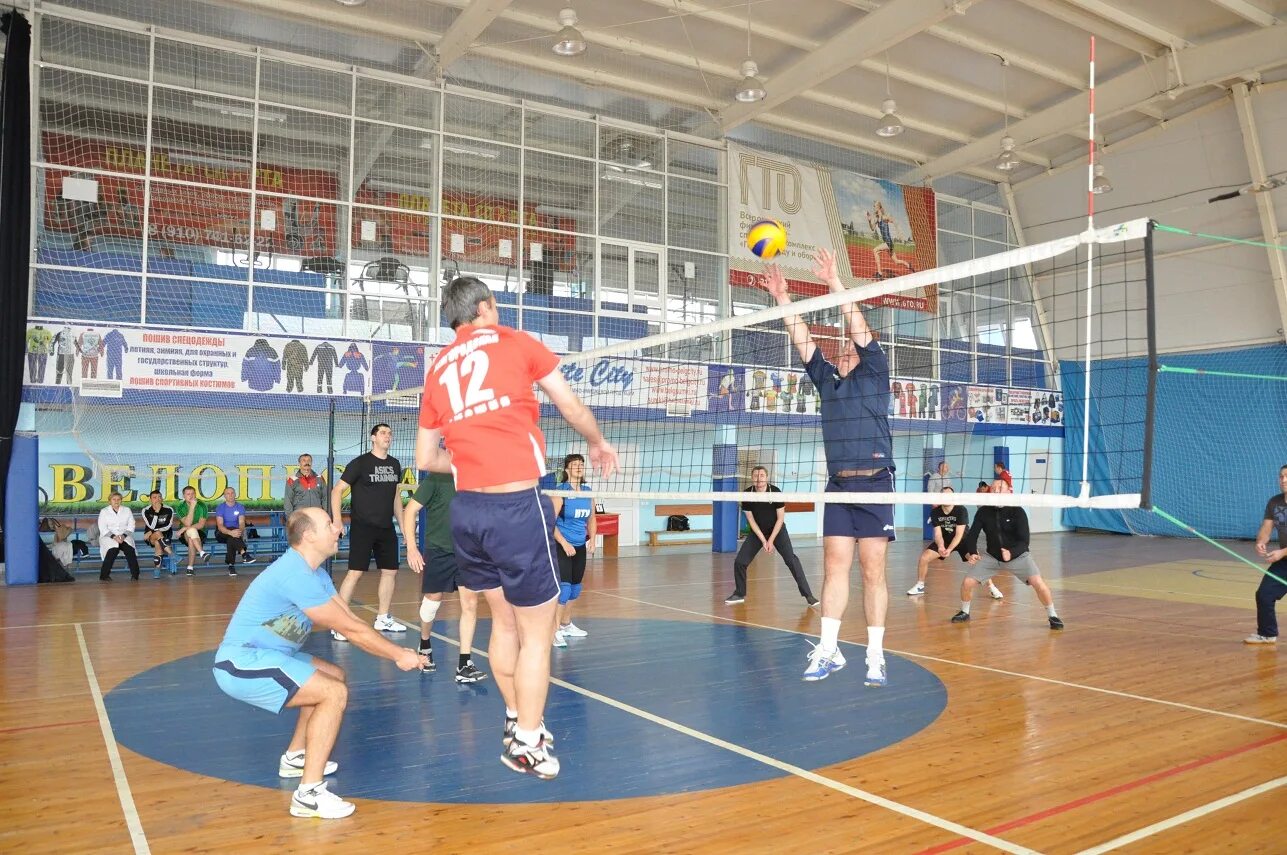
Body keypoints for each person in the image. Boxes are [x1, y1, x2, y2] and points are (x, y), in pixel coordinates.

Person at [416, 275, 618, 781]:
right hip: (516, 508)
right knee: (537, 633)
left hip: (467, 512)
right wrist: (597, 442)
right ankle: (527, 742)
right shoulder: (516, 342)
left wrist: (467, 460)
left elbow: (425, 458)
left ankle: (515, 717)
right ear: (485, 307)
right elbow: (569, 406)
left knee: (502, 624)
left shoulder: (437, 368)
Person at [212, 507, 427, 820]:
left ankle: (296, 755)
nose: (338, 529)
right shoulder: (294, 574)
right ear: (309, 535)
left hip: (271, 655)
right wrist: (398, 655)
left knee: (332, 675)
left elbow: (349, 619)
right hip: (242, 663)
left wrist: (395, 650)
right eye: (330, 524)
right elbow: (352, 631)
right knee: (332, 693)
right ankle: (309, 794)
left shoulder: (317, 573)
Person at [763, 249, 893, 688]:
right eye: (838, 351)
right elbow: (803, 341)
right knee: (834, 568)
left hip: (876, 485)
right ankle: (830, 649)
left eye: (848, 350)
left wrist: (836, 284)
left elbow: (857, 326)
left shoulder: (876, 373)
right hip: (838, 487)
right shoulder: (828, 384)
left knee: (873, 571)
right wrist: (783, 299)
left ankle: (875, 656)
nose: (841, 352)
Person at [402, 471, 488, 682]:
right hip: (439, 550)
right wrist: (412, 547)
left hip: (468, 552)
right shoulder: (436, 478)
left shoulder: (477, 478)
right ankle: (424, 643)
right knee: (433, 600)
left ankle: (464, 664)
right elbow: (410, 510)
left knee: (470, 603)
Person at [951, 479, 1063, 629]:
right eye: (994, 487)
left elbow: (1025, 541)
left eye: (1000, 487)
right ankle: (965, 612)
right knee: (967, 583)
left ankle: (1053, 616)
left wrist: (1011, 552)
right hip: (992, 557)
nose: (997, 489)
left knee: (1038, 583)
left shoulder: (1017, 511)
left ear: (1009, 491)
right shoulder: (983, 511)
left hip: (1018, 556)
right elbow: (972, 535)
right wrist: (972, 552)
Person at [331, 423, 407, 639]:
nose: (387, 436)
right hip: (363, 527)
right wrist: (338, 520)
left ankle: (383, 618)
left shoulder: (394, 464)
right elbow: (337, 491)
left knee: (390, 571)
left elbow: (395, 497)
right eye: (383, 432)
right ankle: (339, 623)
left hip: (385, 527)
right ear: (373, 438)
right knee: (355, 572)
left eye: (390, 433)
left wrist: (402, 525)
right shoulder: (360, 463)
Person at [725, 465, 818, 609]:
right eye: (756, 476)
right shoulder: (747, 494)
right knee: (740, 562)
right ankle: (739, 593)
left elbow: (780, 518)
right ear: (752, 478)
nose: (758, 479)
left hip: (778, 530)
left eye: (762, 475)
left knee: (791, 560)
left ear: (766, 478)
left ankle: (808, 595)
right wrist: (763, 540)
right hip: (758, 532)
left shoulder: (775, 492)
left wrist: (771, 540)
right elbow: (751, 520)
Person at [906, 487, 1002, 598]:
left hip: (964, 540)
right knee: (924, 557)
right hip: (945, 540)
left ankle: (992, 587)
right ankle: (920, 585)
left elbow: (959, 535)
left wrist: (949, 549)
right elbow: (937, 534)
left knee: (977, 561)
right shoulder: (935, 512)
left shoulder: (961, 510)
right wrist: (941, 546)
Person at [551, 453, 598, 646]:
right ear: (567, 469)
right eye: (575, 464)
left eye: (581, 464)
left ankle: (565, 624)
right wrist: (564, 543)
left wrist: (592, 539)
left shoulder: (587, 492)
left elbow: (592, 518)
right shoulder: (560, 491)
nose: (579, 467)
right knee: (564, 589)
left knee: (575, 589)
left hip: (579, 545)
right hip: (562, 544)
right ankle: (554, 631)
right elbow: (550, 522)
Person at [1246, 464, 1287, 644]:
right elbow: (1266, 527)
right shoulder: (1274, 502)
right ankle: (1267, 633)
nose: (1284, 480)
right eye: (1281, 476)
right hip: (1284, 561)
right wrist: (1261, 542)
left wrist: (1282, 552)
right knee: (1264, 594)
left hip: (1283, 555)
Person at [97, 492, 140, 581]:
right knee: (113, 550)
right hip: (108, 537)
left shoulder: (127, 510)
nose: (116, 501)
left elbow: (131, 525)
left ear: (121, 501)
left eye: (118, 499)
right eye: (114, 499)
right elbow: (102, 528)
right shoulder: (104, 511)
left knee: (130, 550)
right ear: (110, 501)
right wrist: (114, 537)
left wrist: (124, 536)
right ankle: (104, 575)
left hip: (124, 536)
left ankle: (135, 575)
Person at [215, 487, 256, 576]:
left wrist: (239, 531)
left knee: (231, 539)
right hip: (221, 533)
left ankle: (231, 566)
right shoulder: (220, 508)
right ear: (224, 496)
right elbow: (220, 526)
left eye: (232, 493)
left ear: (235, 494)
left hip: (235, 533)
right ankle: (244, 554)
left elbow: (241, 523)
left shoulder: (240, 507)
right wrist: (231, 532)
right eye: (228, 493)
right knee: (231, 535)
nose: (230, 495)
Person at [173, 485, 211, 576]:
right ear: (184, 496)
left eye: (193, 493)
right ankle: (201, 553)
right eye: (188, 494)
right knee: (191, 532)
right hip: (184, 534)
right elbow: (188, 524)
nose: (191, 496)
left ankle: (191, 567)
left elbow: (201, 525)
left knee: (191, 538)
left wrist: (184, 528)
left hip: (200, 531)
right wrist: (192, 507)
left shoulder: (202, 505)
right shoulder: (180, 507)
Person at [141, 490, 177, 578]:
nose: (157, 499)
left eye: (159, 497)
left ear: (162, 499)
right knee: (157, 534)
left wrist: (152, 531)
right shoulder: (146, 510)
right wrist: (156, 513)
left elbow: (167, 526)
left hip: (165, 535)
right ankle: (172, 554)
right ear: (150, 500)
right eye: (154, 497)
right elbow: (151, 526)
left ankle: (157, 569)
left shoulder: (169, 509)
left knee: (158, 542)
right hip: (151, 537)